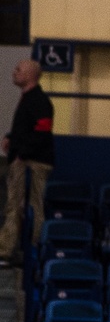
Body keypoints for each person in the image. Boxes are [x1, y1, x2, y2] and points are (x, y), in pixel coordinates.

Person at [0, 56, 54, 265]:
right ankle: (24, 249)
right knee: (19, 206)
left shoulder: (39, 101)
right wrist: (11, 137)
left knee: (26, 207)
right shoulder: (29, 99)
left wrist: (21, 154)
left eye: (19, 69)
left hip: (32, 162)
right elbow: (28, 129)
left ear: (31, 75)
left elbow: (41, 132)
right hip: (26, 159)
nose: (15, 72)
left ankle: (22, 250)